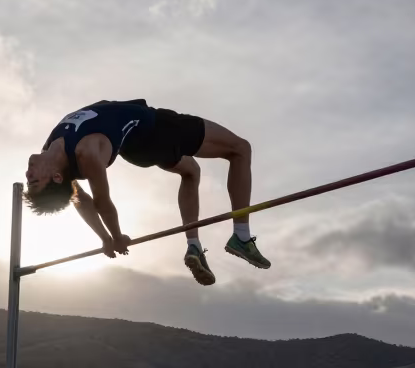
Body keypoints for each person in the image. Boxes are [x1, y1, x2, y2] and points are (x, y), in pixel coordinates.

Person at [24, 99, 271, 286]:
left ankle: (194, 246)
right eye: (35, 183)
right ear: (55, 177)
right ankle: (241, 235)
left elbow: (78, 197)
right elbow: (99, 201)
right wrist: (115, 236)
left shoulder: (53, 151)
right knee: (240, 149)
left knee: (191, 172)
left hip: (138, 146)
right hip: (158, 131)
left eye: (28, 182)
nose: (28, 176)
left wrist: (106, 239)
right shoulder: (85, 153)